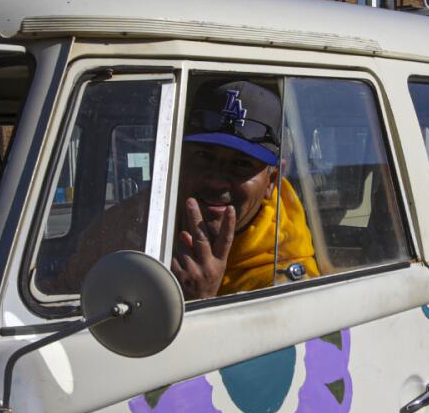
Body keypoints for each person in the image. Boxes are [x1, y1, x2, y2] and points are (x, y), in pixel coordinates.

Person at [48, 79, 318, 301]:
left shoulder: (285, 278)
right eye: (203, 156)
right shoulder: (130, 222)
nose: (216, 181)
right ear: (178, 160)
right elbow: (64, 292)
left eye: (240, 164)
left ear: (272, 181)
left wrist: (200, 303)